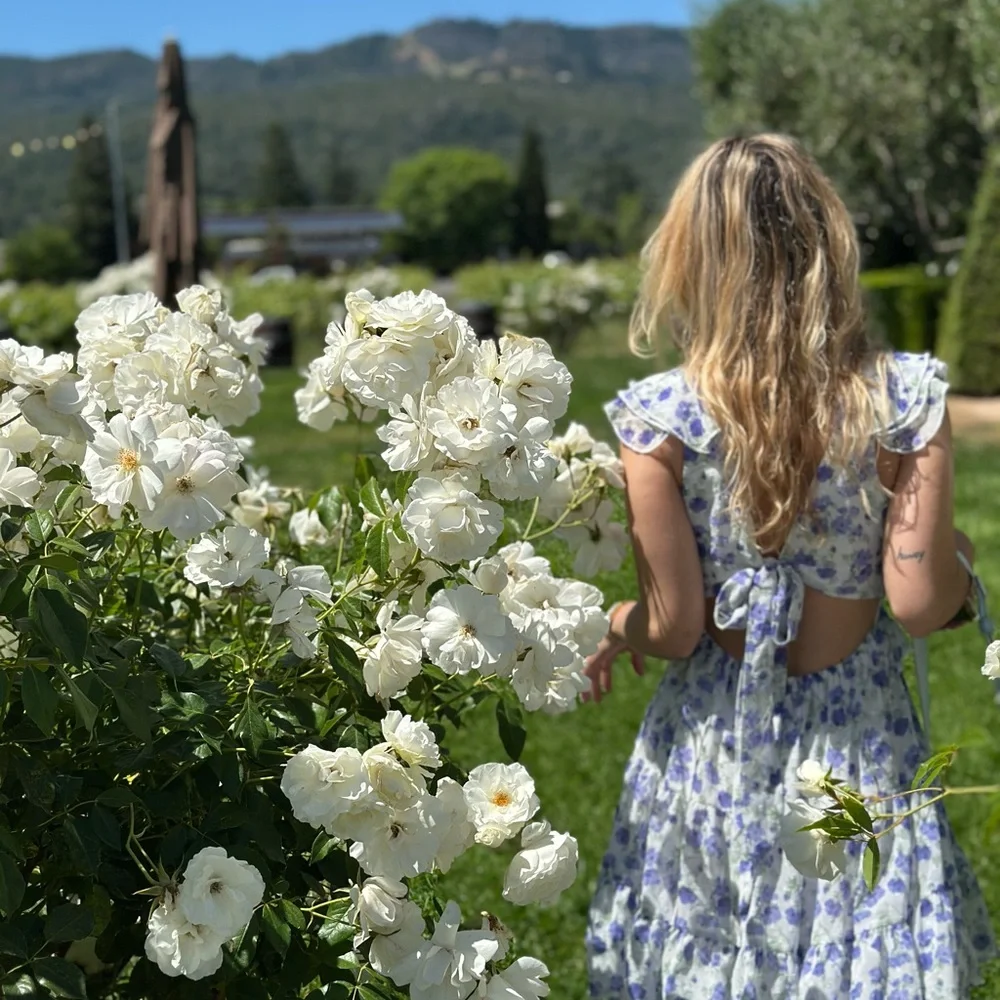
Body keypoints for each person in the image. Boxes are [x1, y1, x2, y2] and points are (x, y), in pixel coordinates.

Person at [584, 135, 996, 999]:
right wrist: (957, 563)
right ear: (829, 245)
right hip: (858, 742)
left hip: (713, 746)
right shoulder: (903, 400)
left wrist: (618, 624)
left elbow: (675, 627)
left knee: (712, 939)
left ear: (689, 256)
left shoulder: (658, 419)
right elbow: (919, 601)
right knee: (860, 943)